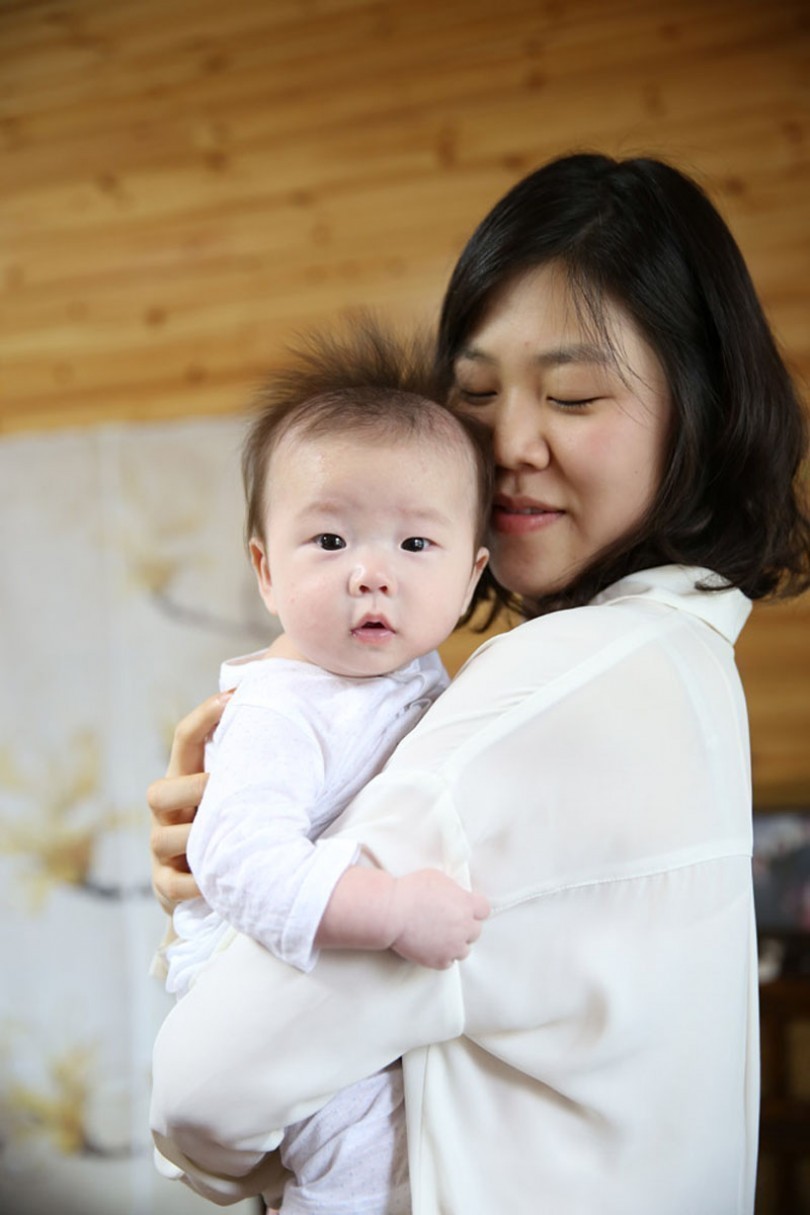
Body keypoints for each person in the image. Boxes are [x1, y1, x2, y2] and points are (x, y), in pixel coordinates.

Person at [149, 153, 810, 1215]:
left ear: (701, 407)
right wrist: (242, 861)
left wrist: (257, 1165)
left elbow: (202, 1085)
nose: (508, 444)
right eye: (475, 393)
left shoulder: (566, 681)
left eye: (574, 395)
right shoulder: (684, 664)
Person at [152, 325, 491, 1214]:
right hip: (258, 968)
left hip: (342, 974)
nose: (371, 574)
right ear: (265, 570)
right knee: (363, 1163)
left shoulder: (419, 676)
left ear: (470, 578)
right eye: (331, 539)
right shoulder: (282, 707)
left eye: (415, 545)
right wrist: (394, 910)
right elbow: (241, 860)